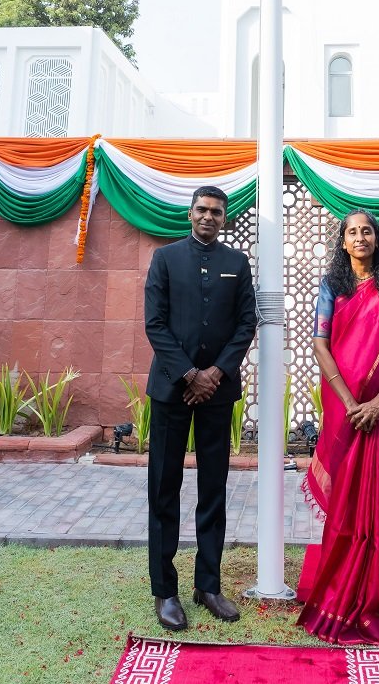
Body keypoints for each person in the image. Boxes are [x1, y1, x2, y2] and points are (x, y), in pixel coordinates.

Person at [298, 209, 379, 645]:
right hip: (346, 411)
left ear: (378, 239)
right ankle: (346, 581)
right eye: (352, 232)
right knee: (349, 498)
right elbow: (320, 342)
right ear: (343, 242)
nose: (361, 237)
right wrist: (352, 403)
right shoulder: (332, 287)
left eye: (367, 230)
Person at [145, 185, 256, 632]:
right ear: (190, 214)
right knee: (164, 490)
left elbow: (247, 322)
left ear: (224, 218)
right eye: (202, 210)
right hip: (173, 391)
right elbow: (154, 322)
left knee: (214, 489)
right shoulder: (165, 259)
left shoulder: (237, 263)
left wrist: (214, 375)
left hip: (218, 393)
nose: (208, 217)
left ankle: (208, 585)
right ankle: (165, 590)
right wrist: (190, 374)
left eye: (216, 211)